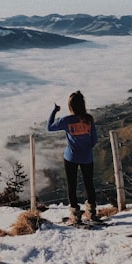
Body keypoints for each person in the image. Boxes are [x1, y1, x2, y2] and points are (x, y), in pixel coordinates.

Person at [47, 90, 99, 224]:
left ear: (71, 106)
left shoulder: (67, 120)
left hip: (71, 157)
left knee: (72, 185)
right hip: (87, 157)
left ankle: (75, 215)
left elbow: (50, 127)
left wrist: (54, 111)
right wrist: (86, 149)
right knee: (89, 184)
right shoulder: (89, 120)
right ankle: (92, 213)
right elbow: (94, 140)